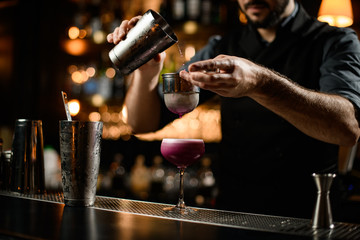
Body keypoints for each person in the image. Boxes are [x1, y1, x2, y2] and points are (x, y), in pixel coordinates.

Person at [107, 0, 360, 218]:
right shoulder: (224, 46)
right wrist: (147, 72)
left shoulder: (335, 41)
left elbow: (346, 129)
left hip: (308, 217)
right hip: (234, 215)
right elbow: (142, 123)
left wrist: (260, 83)